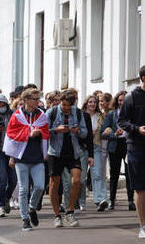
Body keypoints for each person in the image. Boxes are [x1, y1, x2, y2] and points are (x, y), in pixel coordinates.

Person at [3, 88, 49, 231]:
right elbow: (11, 134)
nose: (38, 101)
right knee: (23, 189)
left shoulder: (42, 115)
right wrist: (29, 134)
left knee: (40, 186)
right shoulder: (17, 116)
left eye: (38, 99)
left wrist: (39, 133)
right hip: (21, 157)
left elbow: (46, 132)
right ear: (27, 100)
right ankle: (25, 219)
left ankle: (31, 208)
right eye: (35, 99)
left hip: (37, 156)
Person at [46, 90, 87, 227]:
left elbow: (85, 133)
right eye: (64, 105)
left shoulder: (78, 112)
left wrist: (77, 131)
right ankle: (57, 215)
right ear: (60, 102)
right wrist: (56, 130)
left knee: (77, 180)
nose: (66, 108)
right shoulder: (51, 113)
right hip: (55, 152)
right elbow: (44, 131)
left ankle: (70, 212)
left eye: (69, 106)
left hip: (73, 151)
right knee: (54, 182)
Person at [118, 66, 145, 239]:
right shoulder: (132, 97)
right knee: (141, 188)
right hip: (137, 146)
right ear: (143, 78)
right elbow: (122, 121)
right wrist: (137, 129)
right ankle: (143, 225)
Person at [101, 91, 135, 211]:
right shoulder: (112, 114)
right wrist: (114, 134)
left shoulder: (132, 113)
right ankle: (112, 201)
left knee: (129, 174)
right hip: (114, 146)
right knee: (114, 174)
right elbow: (103, 133)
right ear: (117, 101)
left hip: (128, 145)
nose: (122, 102)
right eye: (120, 100)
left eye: (124, 100)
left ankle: (131, 201)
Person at [0, 93, 17, 217]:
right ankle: (1, 205)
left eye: (2, 104)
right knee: (2, 179)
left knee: (13, 180)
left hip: (12, 151)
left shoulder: (14, 115)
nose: (1, 106)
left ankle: (6, 198)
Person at [82, 95, 108, 211]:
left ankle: (100, 200)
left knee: (97, 173)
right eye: (90, 102)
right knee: (81, 177)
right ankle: (80, 201)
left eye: (94, 102)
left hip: (96, 146)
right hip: (82, 148)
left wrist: (107, 131)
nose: (92, 104)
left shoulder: (100, 116)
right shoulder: (81, 115)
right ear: (86, 103)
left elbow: (107, 128)